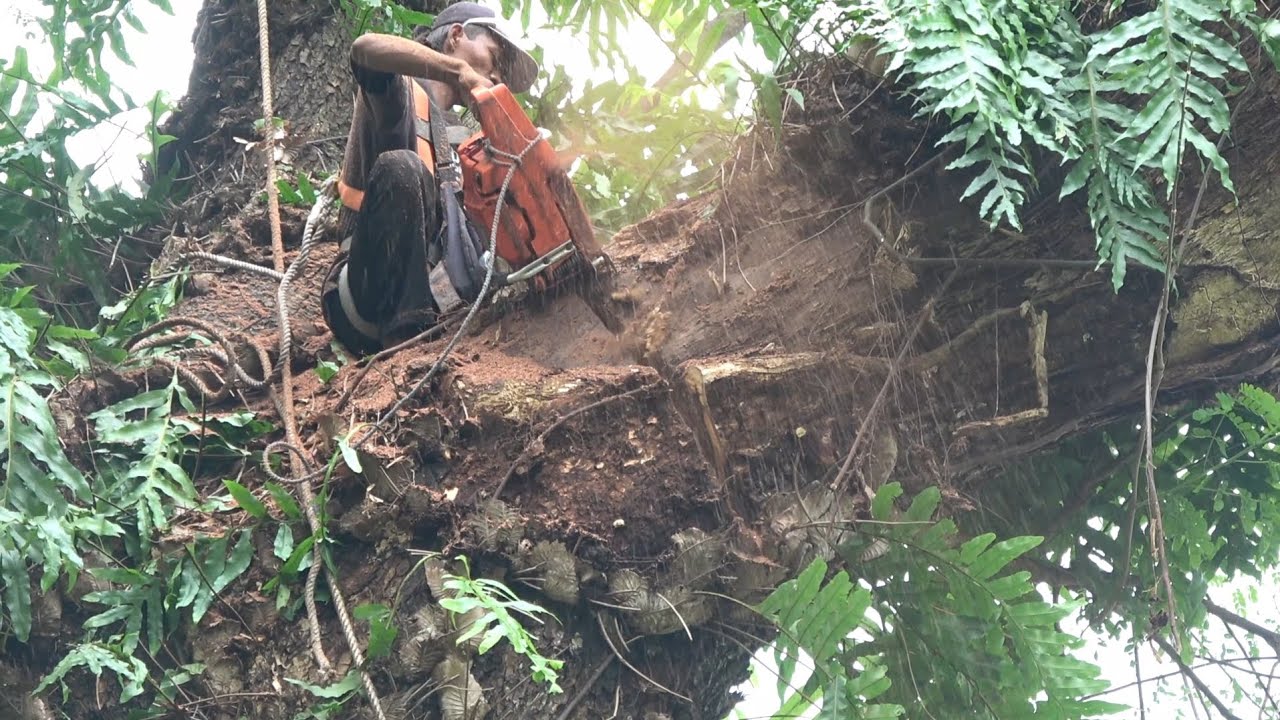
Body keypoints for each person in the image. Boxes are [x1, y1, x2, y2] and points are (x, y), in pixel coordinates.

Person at [321, 2, 539, 355]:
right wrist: (458, 72)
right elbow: (364, 50)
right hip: (369, 297)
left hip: (444, 306)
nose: (498, 77)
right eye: (495, 59)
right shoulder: (399, 93)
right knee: (403, 167)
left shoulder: (472, 145)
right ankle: (406, 350)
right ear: (456, 36)